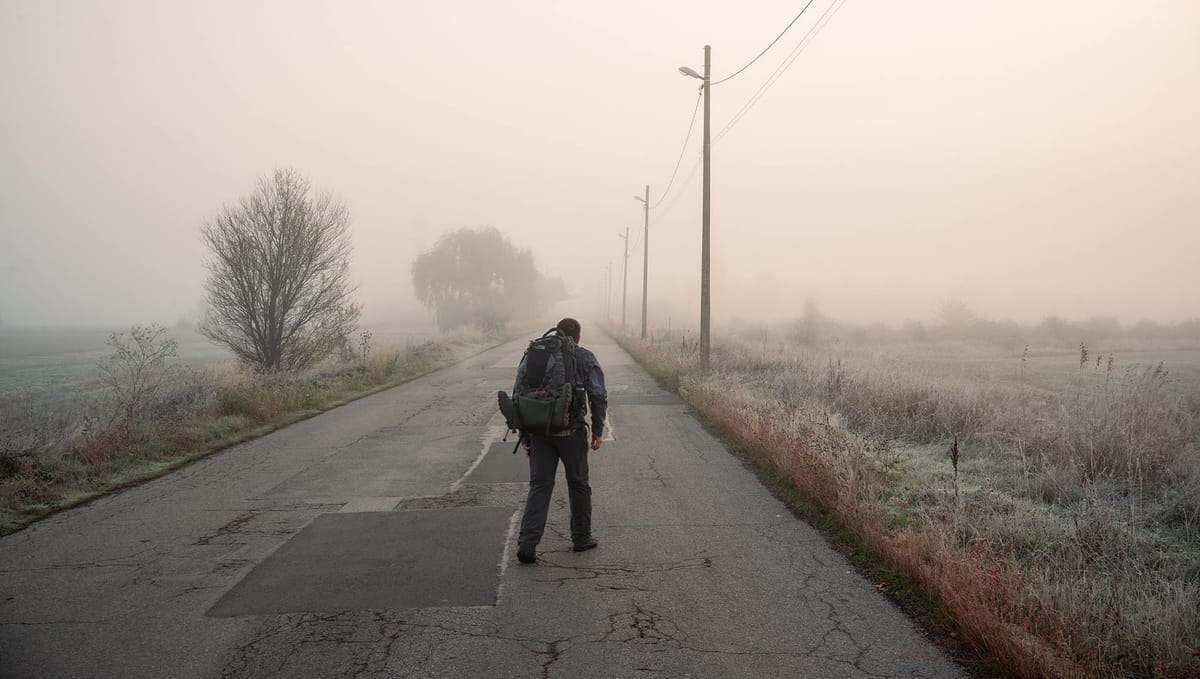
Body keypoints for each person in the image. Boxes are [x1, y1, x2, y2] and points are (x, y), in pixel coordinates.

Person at [516, 317, 607, 564]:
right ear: (578, 338)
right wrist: (598, 430)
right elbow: (598, 395)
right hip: (572, 433)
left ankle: (527, 544)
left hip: (539, 433)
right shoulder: (585, 357)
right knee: (578, 484)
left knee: (540, 486)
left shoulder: (534, 354)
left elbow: (520, 395)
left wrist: (525, 437)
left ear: (556, 333)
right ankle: (581, 538)